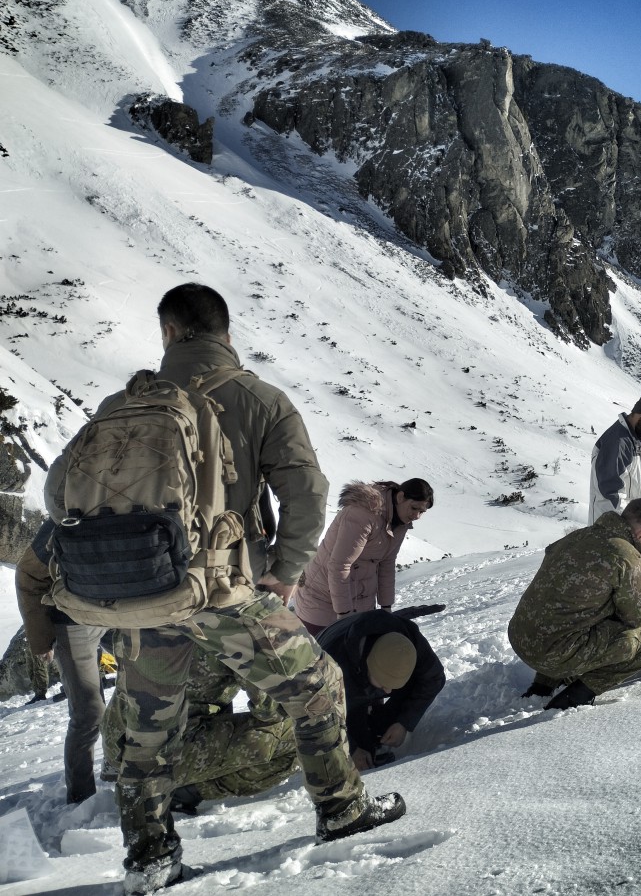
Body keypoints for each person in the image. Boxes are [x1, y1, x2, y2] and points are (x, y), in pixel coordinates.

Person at [45, 284, 403, 894]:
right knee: (318, 685)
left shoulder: (120, 405)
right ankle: (341, 809)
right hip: (222, 592)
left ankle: (151, 858)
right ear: (227, 333)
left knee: (147, 728)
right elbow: (306, 493)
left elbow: (59, 495)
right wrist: (286, 571)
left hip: (142, 597)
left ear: (167, 332)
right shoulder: (260, 399)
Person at [507, 497, 641, 710]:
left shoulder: (577, 536)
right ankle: (576, 696)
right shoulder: (626, 555)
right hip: (552, 653)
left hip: (521, 638)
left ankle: (542, 686)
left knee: (572, 616)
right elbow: (639, 616)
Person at [101, 648, 298, 816]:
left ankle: (169, 781)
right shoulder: (234, 628)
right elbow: (270, 709)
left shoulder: (169, 616)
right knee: (301, 733)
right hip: (158, 753)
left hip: (119, 740)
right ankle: (184, 792)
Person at [14, 519, 108, 804]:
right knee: (89, 712)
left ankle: (120, 771)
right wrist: (41, 639)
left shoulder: (143, 497)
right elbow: (28, 574)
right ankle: (81, 798)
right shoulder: (67, 513)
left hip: (128, 613)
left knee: (139, 698)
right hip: (73, 621)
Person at [292, 479, 434, 635]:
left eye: (422, 511)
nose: (417, 516)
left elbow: (386, 563)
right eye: (414, 508)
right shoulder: (362, 514)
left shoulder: (401, 522)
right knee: (318, 648)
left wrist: (386, 608)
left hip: (359, 601)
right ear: (400, 497)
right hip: (321, 599)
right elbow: (340, 565)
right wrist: (344, 615)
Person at [317, 609, 446, 771]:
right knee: (352, 721)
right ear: (367, 667)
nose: (388, 691)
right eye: (384, 683)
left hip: (358, 664)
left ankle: (378, 730)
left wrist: (404, 722)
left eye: (393, 686)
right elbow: (319, 715)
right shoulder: (328, 666)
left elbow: (434, 678)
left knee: (407, 691)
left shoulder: (408, 644)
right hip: (334, 665)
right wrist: (351, 749)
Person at [589, 392, 641, 523]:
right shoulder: (617, 442)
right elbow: (611, 494)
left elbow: (633, 478)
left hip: (629, 525)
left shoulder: (636, 440)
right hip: (610, 527)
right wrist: (632, 523)